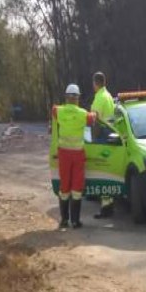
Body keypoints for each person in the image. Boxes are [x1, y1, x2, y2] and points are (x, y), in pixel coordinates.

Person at [50, 84, 96, 230]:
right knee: (77, 187)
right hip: (77, 154)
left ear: (66, 97)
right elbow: (92, 119)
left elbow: (53, 109)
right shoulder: (83, 114)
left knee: (65, 186)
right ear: (77, 98)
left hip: (63, 153)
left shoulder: (59, 111)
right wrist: (95, 113)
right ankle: (75, 222)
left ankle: (64, 220)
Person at [90, 71, 116, 219]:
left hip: (102, 136)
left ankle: (106, 208)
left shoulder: (100, 97)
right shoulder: (108, 96)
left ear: (96, 83)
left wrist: (92, 140)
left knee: (101, 171)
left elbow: (95, 121)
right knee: (108, 172)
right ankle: (109, 204)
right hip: (110, 135)